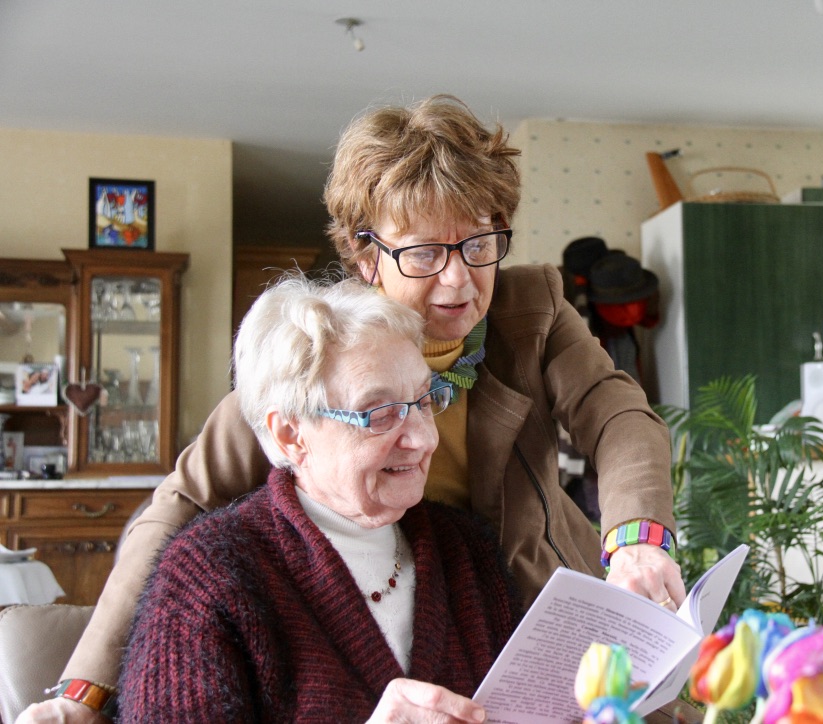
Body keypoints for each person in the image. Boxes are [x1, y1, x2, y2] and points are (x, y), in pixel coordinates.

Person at [22, 94, 682, 722]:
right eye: (424, 251)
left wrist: (635, 541)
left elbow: (616, 413)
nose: (459, 278)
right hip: (395, 610)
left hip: (522, 603)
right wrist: (83, 690)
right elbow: (182, 506)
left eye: (479, 244)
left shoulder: (530, 305)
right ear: (368, 257)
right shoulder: (323, 351)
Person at [114, 274, 520, 721]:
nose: (423, 439)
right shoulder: (205, 578)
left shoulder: (467, 551)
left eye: (424, 401)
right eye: (380, 413)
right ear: (290, 435)